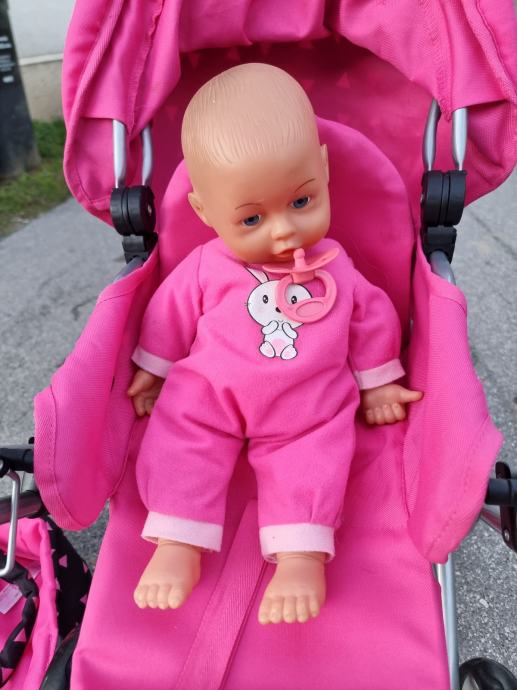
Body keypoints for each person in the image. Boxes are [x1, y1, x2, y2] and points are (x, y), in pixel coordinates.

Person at [128, 63, 422, 625]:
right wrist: (155, 369)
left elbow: (371, 319)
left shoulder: (337, 267)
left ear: (324, 170)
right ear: (205, 212)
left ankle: (300, 557)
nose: (284, 230)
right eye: (252, 218)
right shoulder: (205, 266)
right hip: (208, 394)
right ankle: (177, 541)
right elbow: (168, 314)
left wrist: (379, 383)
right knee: (179, 442)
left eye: (301, 202)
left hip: (306, 407)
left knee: (313, 460)